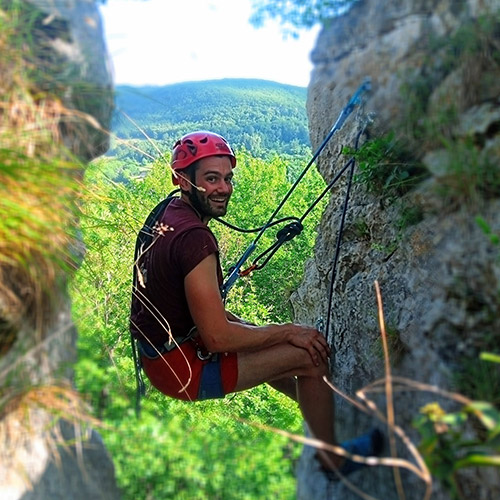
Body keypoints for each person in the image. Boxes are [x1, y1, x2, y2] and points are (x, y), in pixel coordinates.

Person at [130, 130, 382, 478]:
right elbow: (218, 339)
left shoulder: (168, 212)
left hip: (165, 353)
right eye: (212, 179)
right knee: (308, 356)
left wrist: (271, 334)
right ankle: (332, 461)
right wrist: (290, 332)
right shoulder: (195, 240)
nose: (224, 188)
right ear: (184, 181)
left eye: (227, 178)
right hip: (183, 369)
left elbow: (195, 311)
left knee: (265, 340)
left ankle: (325, 415)